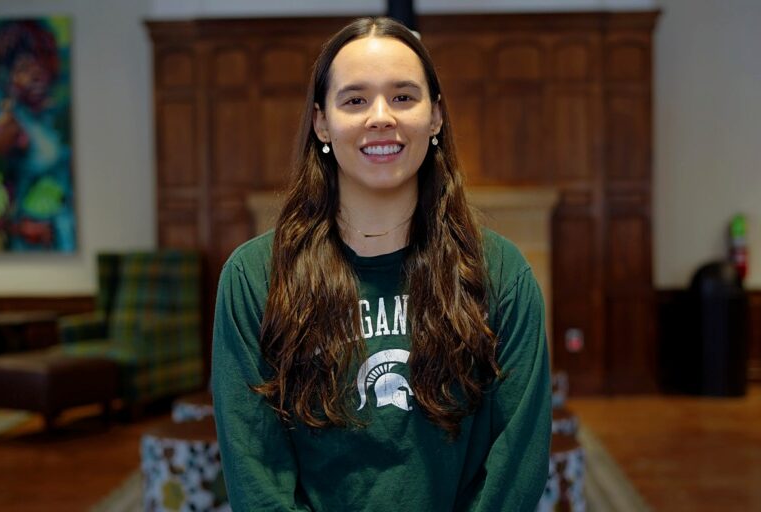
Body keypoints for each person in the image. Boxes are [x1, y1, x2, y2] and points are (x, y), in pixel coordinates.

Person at [212, 16, 551, 512]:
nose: (380, 117)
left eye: (403, 97)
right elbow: (255, 470)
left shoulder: (499, 272)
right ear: (321, 122)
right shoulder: (254, 277)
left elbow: (516, 462)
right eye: (354, 100)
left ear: (435, 117)